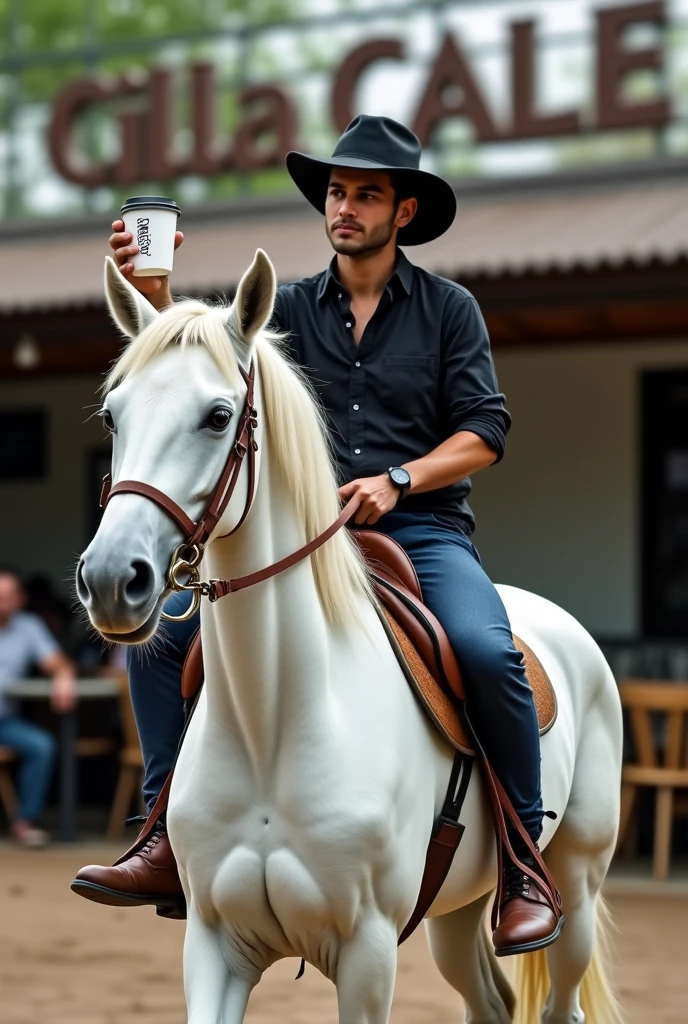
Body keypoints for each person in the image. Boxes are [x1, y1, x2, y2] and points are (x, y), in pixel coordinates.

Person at [74, 115, 560, 954]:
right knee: (159, 641)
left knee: (486, 652)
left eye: (366, 194)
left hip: (425, 531)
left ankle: (522, 866)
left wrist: (399, 479)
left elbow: (485, 430)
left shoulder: (450, 309)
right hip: (303, 539)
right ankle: (160, 833)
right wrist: (154, 299)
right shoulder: (284, 310)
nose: (345, 207)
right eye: (337, 192)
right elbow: (199, 370)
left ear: (403, 213)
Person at [0, 568, 77, 846]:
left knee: (41, 745)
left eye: (7, 596)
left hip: (4, 722)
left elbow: (58, 662)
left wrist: (63, 676)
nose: (1, 601)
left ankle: (25, 821)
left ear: (20, 599)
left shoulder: (29, 626)